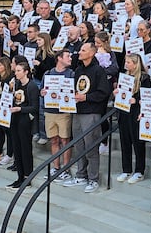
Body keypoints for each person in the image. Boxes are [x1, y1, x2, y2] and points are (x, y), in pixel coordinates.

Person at [61, 42, 112, 193]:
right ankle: (81, 174)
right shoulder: (78, 70)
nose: (80, 52)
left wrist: (86, 97)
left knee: (91, 146)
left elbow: (104, 93)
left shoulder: (98, 71)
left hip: (91, 113)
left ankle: (93, 178)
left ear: (91, 53)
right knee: (79, 146)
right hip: (77, 111)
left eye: (83, 50)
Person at [115, 54, 151, 184]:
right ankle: (126, 169)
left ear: (135, 64)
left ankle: (139, 170)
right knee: (125, 141)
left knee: (137, 142)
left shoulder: (144, 78)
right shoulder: (124, 76)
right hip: (124, 111)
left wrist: (136, 100)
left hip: (136, 113)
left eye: (129, 62)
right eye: (126, 61)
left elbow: (148, 96)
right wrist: (116, 93)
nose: (126, 64)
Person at [40, 49, 75, 182]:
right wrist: (42, 92)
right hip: (50, 111)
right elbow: (42, 90)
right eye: (68, 56)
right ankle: (56, 167)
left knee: (65, 140)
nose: (70, 58)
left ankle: (66, 168)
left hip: (64, 112)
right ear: (59, 58)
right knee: (53, 140)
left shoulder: (71, 74)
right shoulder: (48, 73)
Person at [6, 61, 39, 190]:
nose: (16, 73)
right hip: (15, 119)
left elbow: (35, 107)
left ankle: (27, 177)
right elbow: (12, 100)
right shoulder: (17, 84)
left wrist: (21, 110)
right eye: (16, 71)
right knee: (17, 148)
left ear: (26, 72)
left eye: (19, 70)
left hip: (25, 120)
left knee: (25, 149)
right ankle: (19, 176)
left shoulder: (32, 86)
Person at [0, 57, 14, 165]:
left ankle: (9, 154)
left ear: (5, 66)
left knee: (8, 132)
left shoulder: (9, 78)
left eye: (0, 65)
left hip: (5, 108)